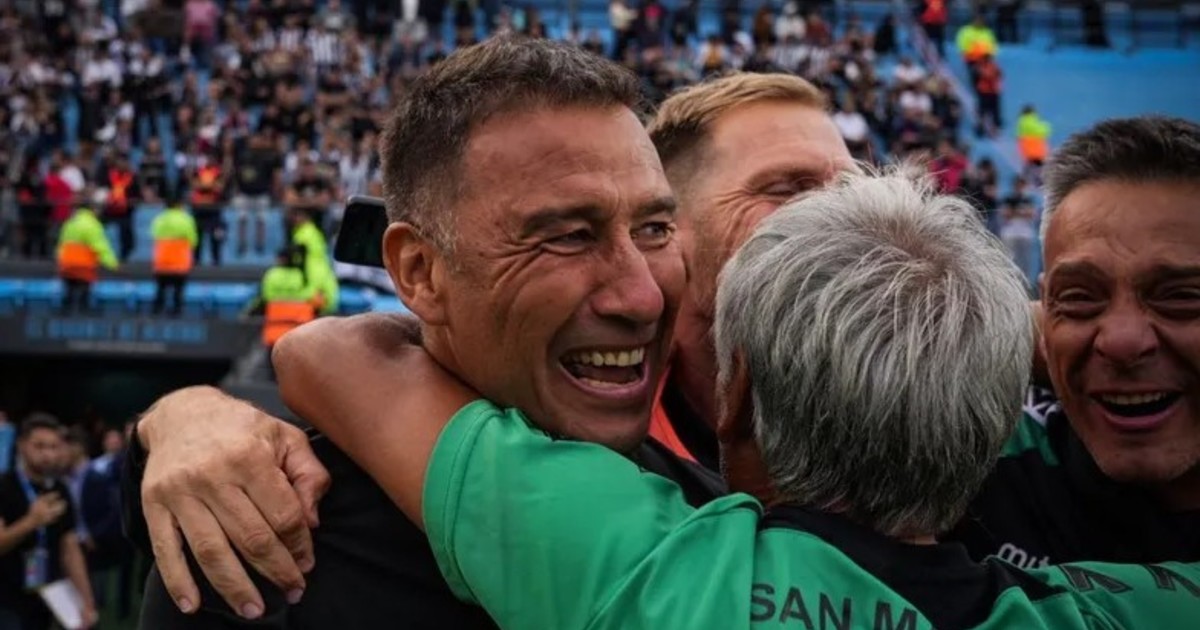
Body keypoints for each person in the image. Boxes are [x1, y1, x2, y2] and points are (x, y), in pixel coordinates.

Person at [281, 170, 1200, 629]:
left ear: (739, 394)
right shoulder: (1101, 611)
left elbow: (342, 360)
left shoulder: (649, 574)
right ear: (1000, 413)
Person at [127, 68, 856, 619]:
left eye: (654, 229)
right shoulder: (261, 547)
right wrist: (174, 420)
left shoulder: (726, 529)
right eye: (568, 236)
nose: (641, 296)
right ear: (420, 271)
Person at [953, 116, 1200, 566]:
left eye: (1180, 297)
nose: (1121, 342)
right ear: (1045, 308)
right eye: (1080, 297)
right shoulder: (972, 456)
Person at [0, 415, 97, 630]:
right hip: (6, 599)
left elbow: (70, 549)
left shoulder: (60, 490)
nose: (47, 454)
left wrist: (86, 599)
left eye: (53, 447)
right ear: (22, 445)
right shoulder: (5, 486)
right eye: (39, 446)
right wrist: (31, 521)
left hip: (46, 594)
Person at [56, 190, 119, 314]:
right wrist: (112, 263)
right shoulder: (92, 224)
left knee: (69, 290)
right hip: (83, 264)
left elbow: (61, 244)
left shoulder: (70, 223)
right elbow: (100, 246)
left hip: (67, 263)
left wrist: (60, 261)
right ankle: (83, 312)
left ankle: (64, 312)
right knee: (84, 291)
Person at [151, 197, 199, 317]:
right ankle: (176, 311)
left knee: (161, 287)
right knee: (178, 288)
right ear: (179, 205)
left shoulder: (160, 218)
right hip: (179, 259)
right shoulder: (186, 219)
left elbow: (154, 234)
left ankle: (157, 310)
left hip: (162, 259)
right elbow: (193, 239)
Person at [286, 208, 338, 316]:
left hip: (317, 288)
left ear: (306, 217)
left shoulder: (305, 235)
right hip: (323, 281)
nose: (294, 219)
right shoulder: (313, 233)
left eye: (298, 215)